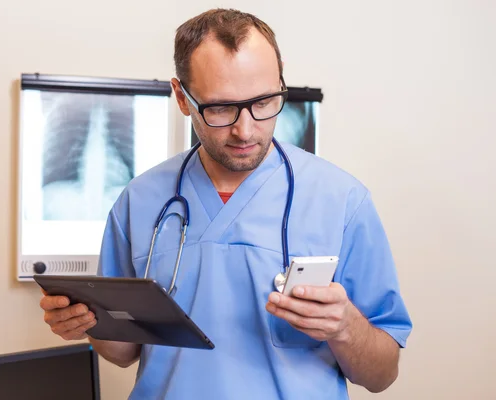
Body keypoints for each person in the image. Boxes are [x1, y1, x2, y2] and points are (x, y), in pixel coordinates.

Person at [39, 8, 412, 399]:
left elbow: (381, 374)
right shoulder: (139, 201)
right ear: (182, 97)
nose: (245, 129)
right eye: (220, 108)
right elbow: (123, 352)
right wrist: (84, 323)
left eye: (264, 102)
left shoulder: (342, 200)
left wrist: (345, 327)